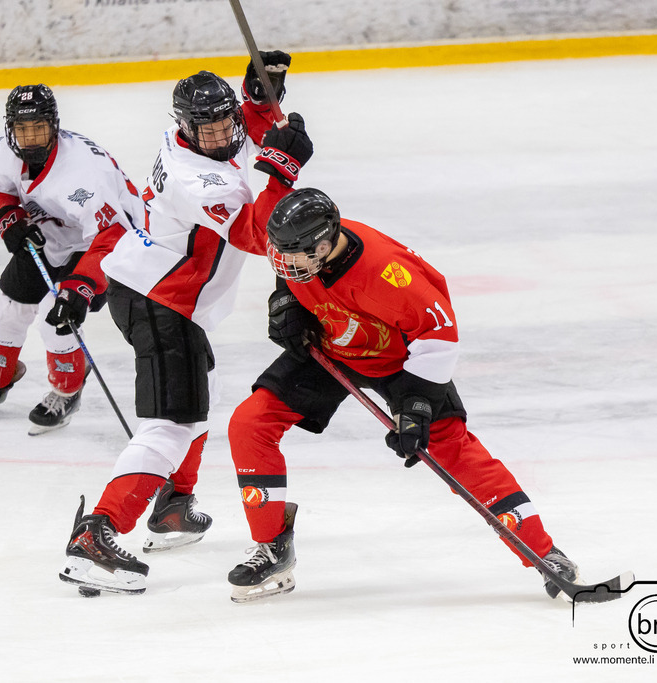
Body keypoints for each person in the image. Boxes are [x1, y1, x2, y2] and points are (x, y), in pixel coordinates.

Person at [224, 187, 582, 603]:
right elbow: (289, 270)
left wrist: (417, 405)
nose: (284, 263)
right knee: (250, 423)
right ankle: (272, 546)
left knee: (452, 449)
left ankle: (545, 554)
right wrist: (286, 299)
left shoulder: (387, 273)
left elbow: (439, 334)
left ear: (322, 246)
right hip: (332, 343)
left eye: (293, 257)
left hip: (403, 364)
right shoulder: (302, 249)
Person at [53, 54, 316, 596]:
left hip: (160, 293)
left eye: (225, 122)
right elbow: (259, 234)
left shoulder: (205, 138)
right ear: (185, 128)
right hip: (156, 298)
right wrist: (283, 168)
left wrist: (259, 104)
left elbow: (246, 139)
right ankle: (96, 535)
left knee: (200, 396)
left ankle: (173, 506)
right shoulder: (194, 179)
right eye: (207, 128)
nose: (219, 135)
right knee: (171, 423)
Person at [0, 84, 143, 435]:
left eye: (39, 127)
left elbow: (113, 236)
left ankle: (68, 389)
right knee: (7, 310)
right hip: (50, 233)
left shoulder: (85, 172)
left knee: (57, 317)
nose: (31, 138)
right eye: (23, 129)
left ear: (54, 126)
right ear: (10, 129)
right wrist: (10, 220)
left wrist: (80, 288)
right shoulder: (3, 151)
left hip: (104, 243)